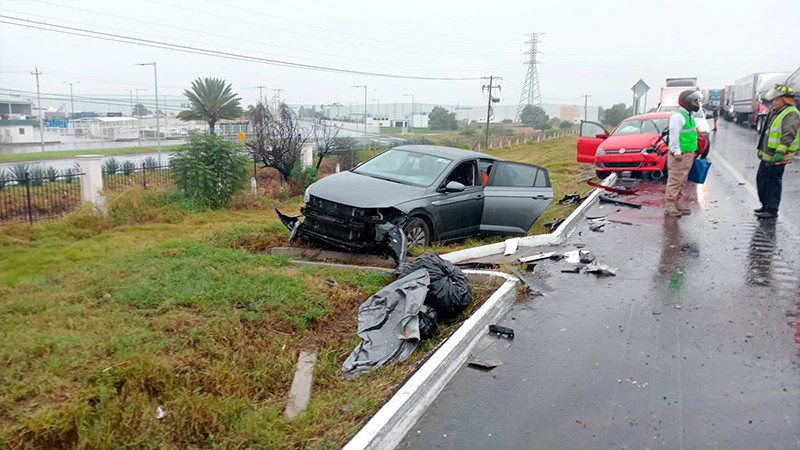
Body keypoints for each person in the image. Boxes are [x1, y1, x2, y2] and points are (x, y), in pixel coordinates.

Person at [754, 84, 799, 220]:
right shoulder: (777, 111)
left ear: (784, 100)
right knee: (762, 180)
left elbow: (788, 134)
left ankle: (772, 209)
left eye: (776, 99)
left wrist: (780, 151)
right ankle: (765, 205)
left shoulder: (791, 113)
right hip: (768, 155)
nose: (773, 102)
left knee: (773, 182)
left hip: (778, 155)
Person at [664, 90, 703, 217]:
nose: (696, 103)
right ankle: (670, 204)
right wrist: (676, 152)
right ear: (686, 101)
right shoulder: (678, 116)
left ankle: (676, 202)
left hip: (688, 153)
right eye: (694, 101)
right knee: (675, 179)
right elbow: (674, 135)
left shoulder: (688, 116)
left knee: (682, 179)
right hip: (680, 155)